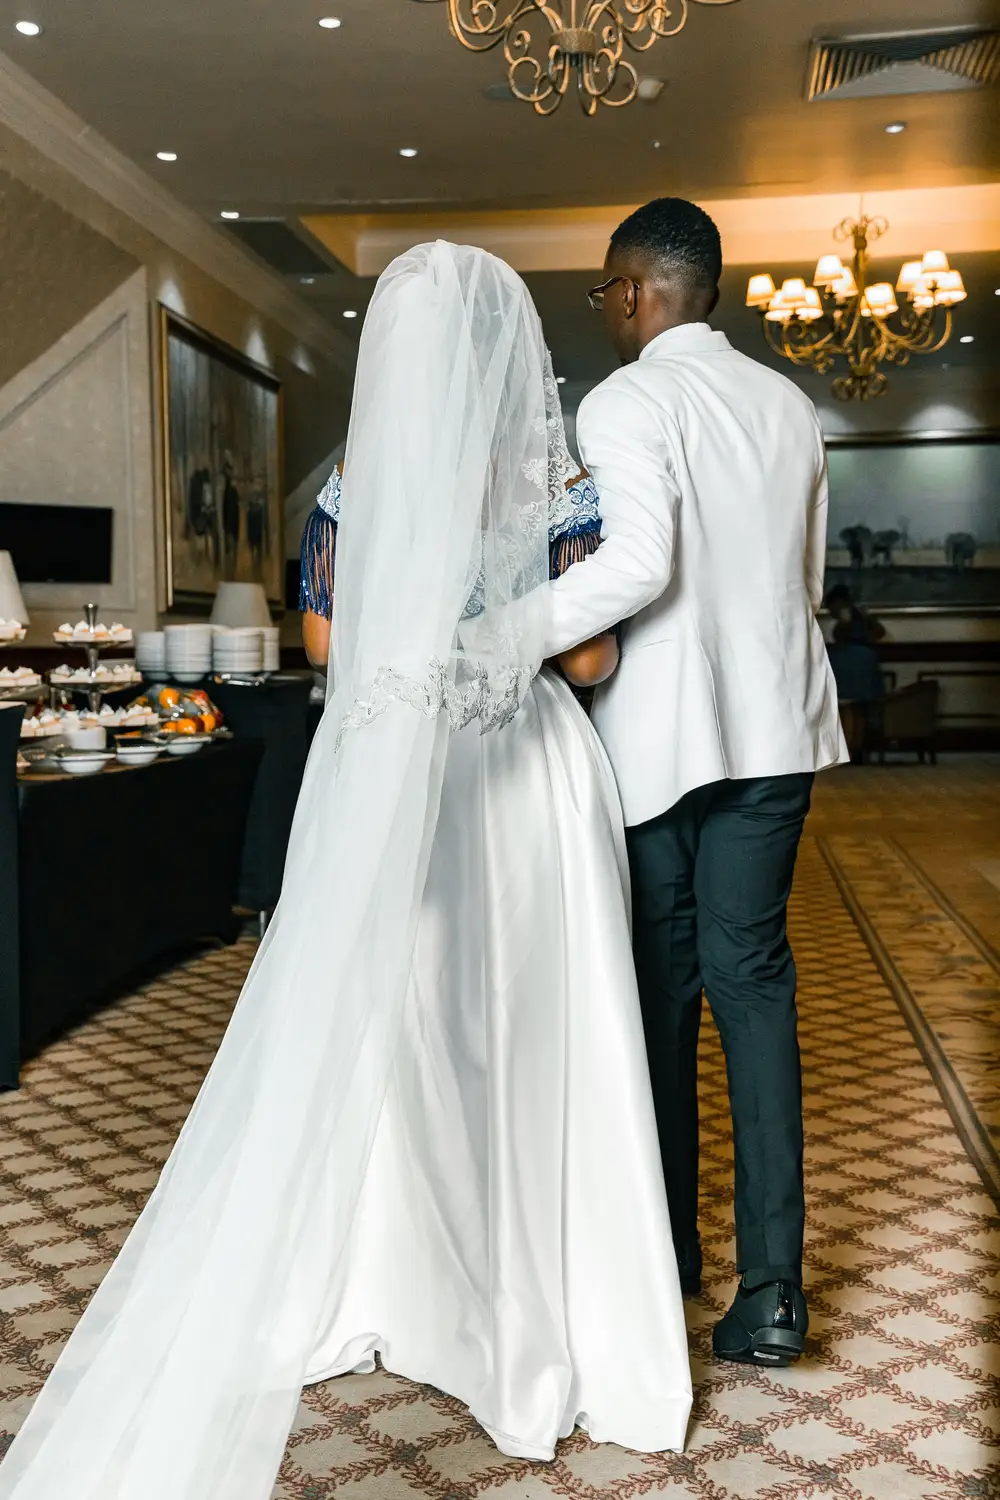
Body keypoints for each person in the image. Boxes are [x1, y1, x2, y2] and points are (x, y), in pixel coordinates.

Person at [0, 243, 691, 1500]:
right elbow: (587, 669)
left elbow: (327, 638)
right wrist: (509, 641)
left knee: (403, 1024)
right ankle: (533, 1310)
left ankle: (387, 1275)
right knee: (539, 1041)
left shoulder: (354, 486)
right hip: (524, 783)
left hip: (392, 774)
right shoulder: (549, 474)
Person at [537, 198, 849, 1368]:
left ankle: (658, 1256)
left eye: (606, 297)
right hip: (773, 729)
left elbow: (637, 565)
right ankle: (772, 1292)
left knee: (661, 986)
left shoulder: (622, 399)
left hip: (663, 738)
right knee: (752, 980)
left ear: (630, 291)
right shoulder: (788, 404)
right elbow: (801, 578)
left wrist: (503, 633)